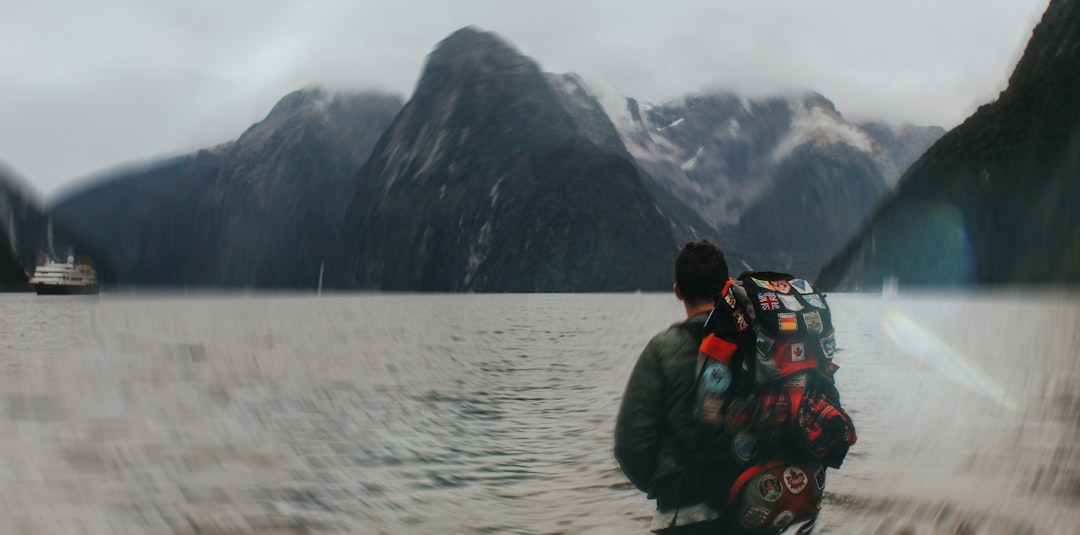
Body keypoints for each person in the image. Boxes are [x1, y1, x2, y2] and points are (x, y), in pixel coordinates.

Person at [614, 239, 776, 534]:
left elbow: (631, 445)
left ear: (677, 291)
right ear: (726, 286)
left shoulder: (662, 349)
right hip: (754, 509)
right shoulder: (756, 342)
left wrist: (668, 485)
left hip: (685, 516)